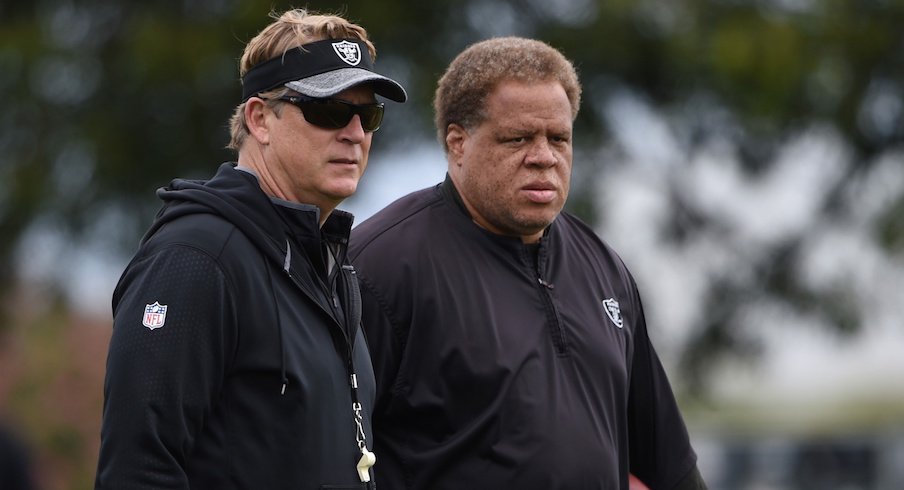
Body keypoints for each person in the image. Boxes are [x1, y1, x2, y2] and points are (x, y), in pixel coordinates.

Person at [349, 37, 707, 489]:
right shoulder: (379, 267)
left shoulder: (604, 267)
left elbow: (668, 462)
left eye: (559, 138)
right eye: (518, 138)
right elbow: (331, 455)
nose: (544, 157)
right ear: (458, 143)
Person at [95, 9, 406, 489]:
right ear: (260, 119)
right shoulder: (195, 257)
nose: (355, 133)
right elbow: (139, 470)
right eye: (328, 111)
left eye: (368, 115)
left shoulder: (330, 266)